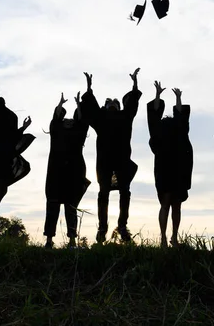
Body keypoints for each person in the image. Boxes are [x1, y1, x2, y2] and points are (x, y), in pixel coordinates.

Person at [81, 68, 142, 243]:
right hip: (105, 163)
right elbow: (91, 107)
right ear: (105, 107)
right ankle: (102, 228)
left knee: (125, 192)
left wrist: (135, 83)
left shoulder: (125, 117)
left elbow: (132, 104)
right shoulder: (100, 119)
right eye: (109, 104)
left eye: (116, 103)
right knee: (103, 193)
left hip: (122, 161)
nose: (113, 105)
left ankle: (122, 227)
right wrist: (89, 87)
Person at [0, 67, 35, 237]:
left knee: (1, 189)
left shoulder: (7, 116)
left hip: (4, 158)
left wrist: (23, 128)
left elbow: (12, 137)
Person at [147, 81, 193, 248]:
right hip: (164, 168)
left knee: (176, 205)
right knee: (166, 203)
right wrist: (158, 95)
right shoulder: (159, 130)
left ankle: (173, 237)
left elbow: (180, 115)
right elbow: (153, 116)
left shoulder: (179, 130)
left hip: (179, 168)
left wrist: (178, 98)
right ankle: (164, 238)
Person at [43, 92, 91, 249]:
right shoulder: (56, 133)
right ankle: (49, 240)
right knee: (52, 207)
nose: (69, 120)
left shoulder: (79, 135)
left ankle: (71, 241)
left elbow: (83, 121)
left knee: (71, 208)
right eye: (66, 119)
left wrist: (79, 106)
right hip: (55, 175)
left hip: (74, 174)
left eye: (72, 120)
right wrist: (60, 104)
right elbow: (55, 119)